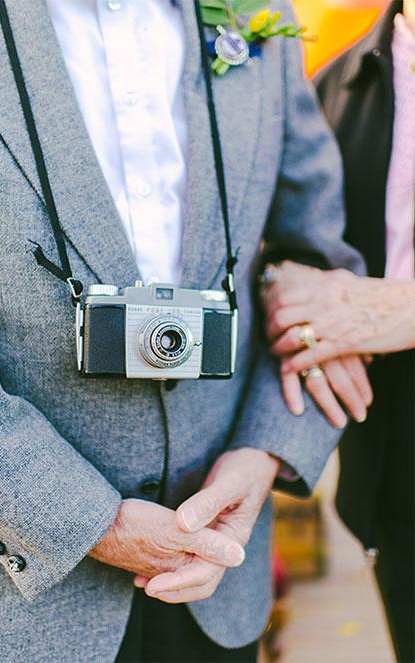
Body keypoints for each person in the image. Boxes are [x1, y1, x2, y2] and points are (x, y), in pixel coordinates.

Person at [0, 0, 363, 660]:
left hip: (222, 576)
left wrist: (266, 450)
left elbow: (318, 258)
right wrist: (85, 518)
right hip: (36, 601)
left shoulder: (258, 16)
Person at [261, 1, 415, 659]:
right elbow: (282, 247)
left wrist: (396, 311)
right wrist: (284, 289)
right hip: (397, 491)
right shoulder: (330, 89)